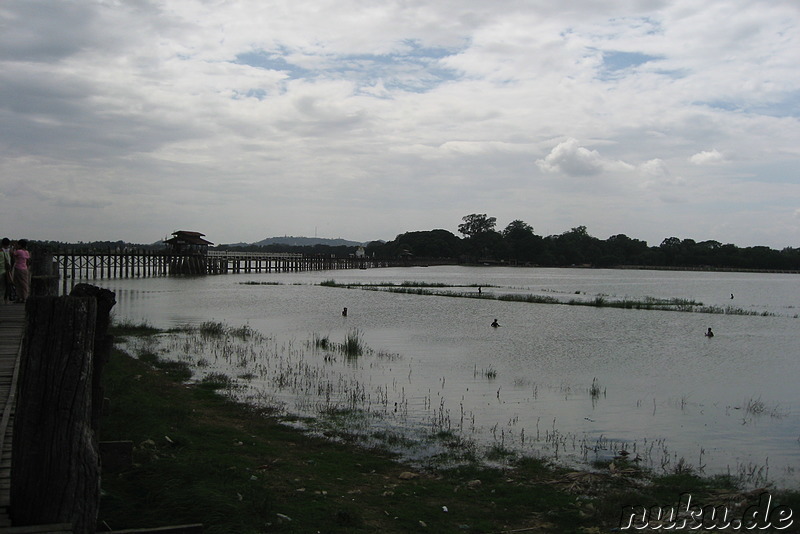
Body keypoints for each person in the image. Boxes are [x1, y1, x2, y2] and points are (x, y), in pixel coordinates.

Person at [11, 239, 31, 303]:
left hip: (18, 268)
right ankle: (24, 297)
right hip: (25, 268)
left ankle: (21, 297)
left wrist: (14, 247)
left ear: (20, 245)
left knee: (18, 283)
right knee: (24, 283)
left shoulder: (19, 251)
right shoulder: (26, 252)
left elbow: (12, 254)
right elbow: (28, 261)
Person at [0, 238, 10, 304]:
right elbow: (8, 263)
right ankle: (3, 300)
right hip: (4, 272)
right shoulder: (6, 253)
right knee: (3, 287)